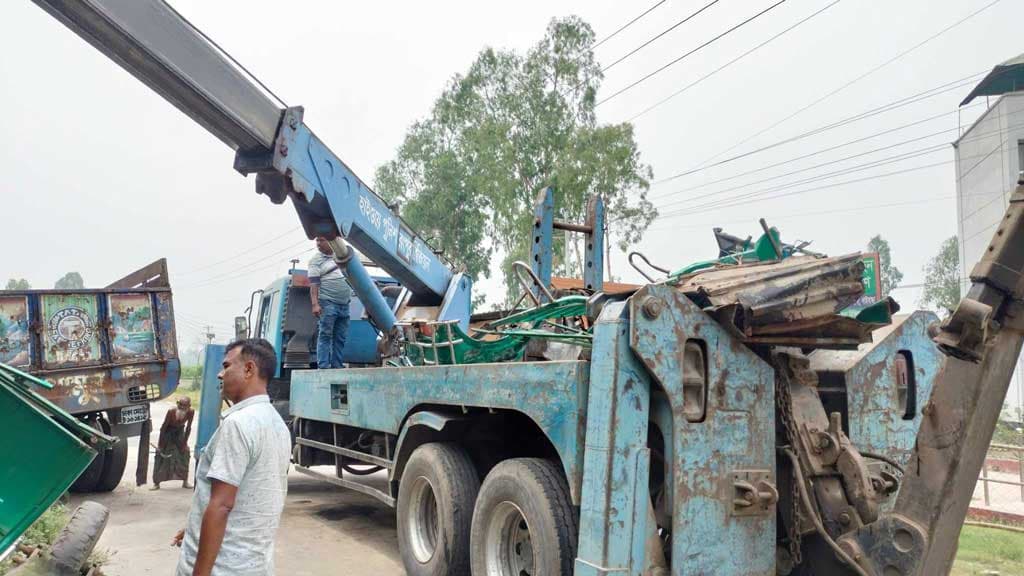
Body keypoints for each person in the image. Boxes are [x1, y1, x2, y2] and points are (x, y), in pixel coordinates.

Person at [173, 338, 291, 576]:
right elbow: (251, 493)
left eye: (226, 366)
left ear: (249, 369)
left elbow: (222, 505)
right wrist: (194, 526)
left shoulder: (238, 424)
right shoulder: (277, 424)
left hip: (222, 568)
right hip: (254, 566)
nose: (219, 374)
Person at [308, 236, 352, 369]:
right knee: (325, 334)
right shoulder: (316, 261)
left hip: (344, 304)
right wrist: (315, 304)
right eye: (317, 241)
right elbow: (314, 284)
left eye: (322, 240)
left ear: (331, 241)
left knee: (340, 337)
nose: (318, 243)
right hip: (328, 303)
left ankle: (337, 365)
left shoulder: (340, 256)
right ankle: (323, 365)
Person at [151, 396, 194, 490]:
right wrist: (160, 444)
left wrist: (184, 443)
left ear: (189, 406)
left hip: (180, 433)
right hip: (167, 433)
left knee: (185, 454)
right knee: (161, 455)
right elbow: (163, 428)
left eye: (184, 406)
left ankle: (185, 481)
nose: (182, 407)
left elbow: (188, 428)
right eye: (180, 405)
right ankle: (156, 483)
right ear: (177, 404)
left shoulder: (191, 412)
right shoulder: (171, 411)